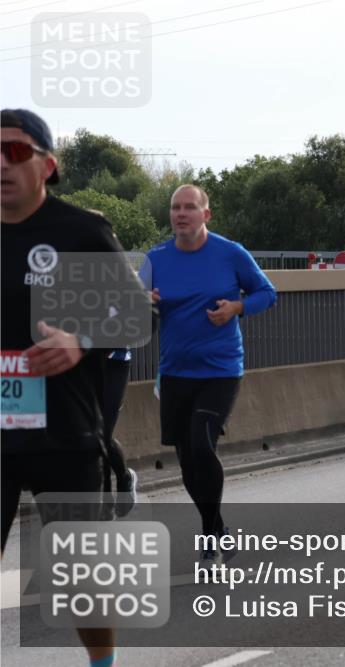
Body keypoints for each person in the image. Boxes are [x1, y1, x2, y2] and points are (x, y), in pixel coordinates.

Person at [2, 108, 151, 667]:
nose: (2, 163)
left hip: (63, 434)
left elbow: (138, 319)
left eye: (15, 152)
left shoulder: (77, 232)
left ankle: (103, 664)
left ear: (48, 165)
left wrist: (81, 341)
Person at [141, 184, 277, 564]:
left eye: (189, 207)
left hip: (220, 368)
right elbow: (134, 315)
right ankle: (216, 529)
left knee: (202, 444)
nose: (180, 214)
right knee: (187, 461)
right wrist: (145, 305)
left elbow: (268, 293)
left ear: (206, 214)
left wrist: (237, 307)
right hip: (175, 372)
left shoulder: (230, 253)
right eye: (175, 208)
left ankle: (210, 533)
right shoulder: (155, 260)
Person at [101, 348, 138, 518]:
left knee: (102, 433)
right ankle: (105, 503)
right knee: (93, 434)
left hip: (115, 362)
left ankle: (124, 479)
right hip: (82, 364)